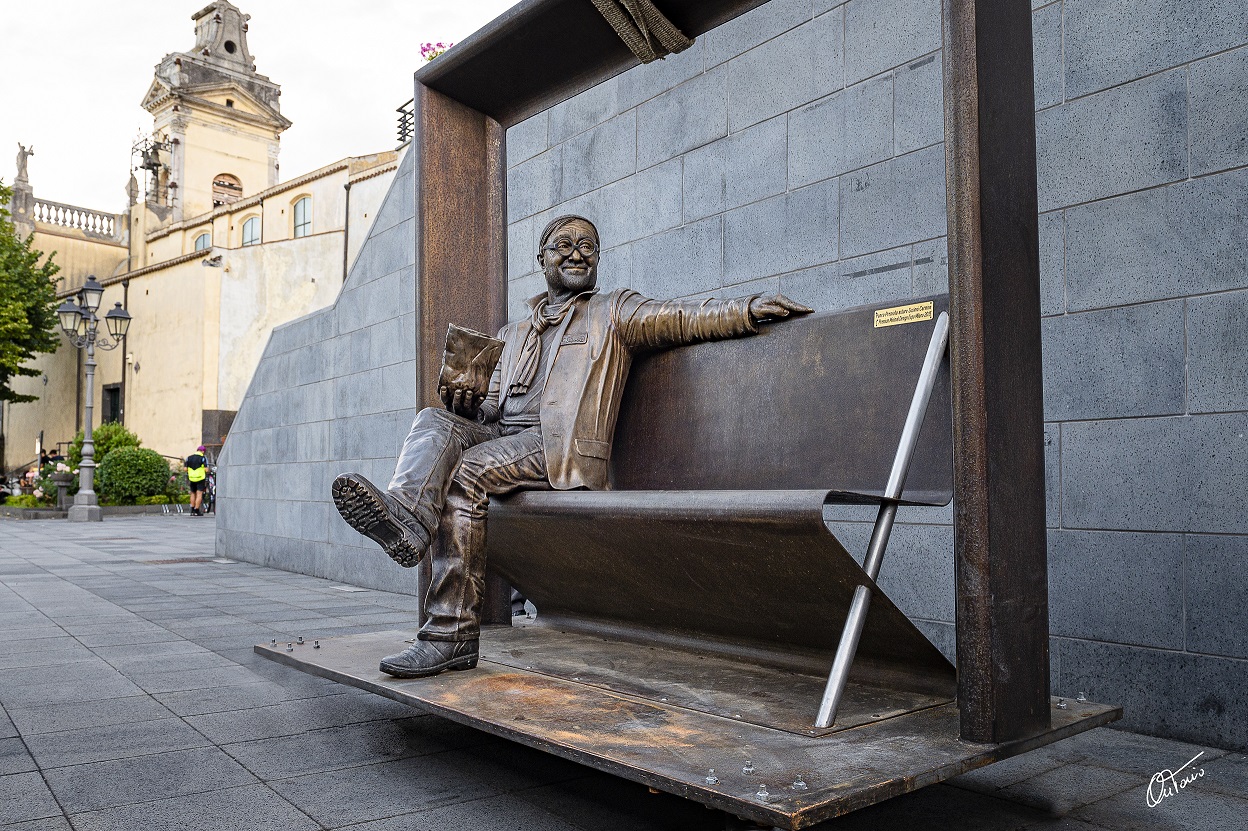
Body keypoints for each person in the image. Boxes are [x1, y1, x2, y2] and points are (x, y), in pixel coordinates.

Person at [332, 215, 811, 678]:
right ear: (542, 259)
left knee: (469, 472)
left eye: (588, 246)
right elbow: (488, 410)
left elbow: (683, 318)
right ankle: (407, 517)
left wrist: (746, 309)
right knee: (434, 419)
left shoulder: (615, 310)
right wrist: (465, 398)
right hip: (503, 434)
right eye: (565, 245)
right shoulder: (512, 333)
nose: (578, 253)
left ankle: (448, 637)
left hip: (557, 447)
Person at [186, 446, 208, 516]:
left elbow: (184, 469)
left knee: (192, 493)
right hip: (200, 478)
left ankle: (192, 509)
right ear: (203, 451)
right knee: (199, 494)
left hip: (192, 478)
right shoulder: (203, 458)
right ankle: (196, 509)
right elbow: (206, 469)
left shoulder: (189, 458)